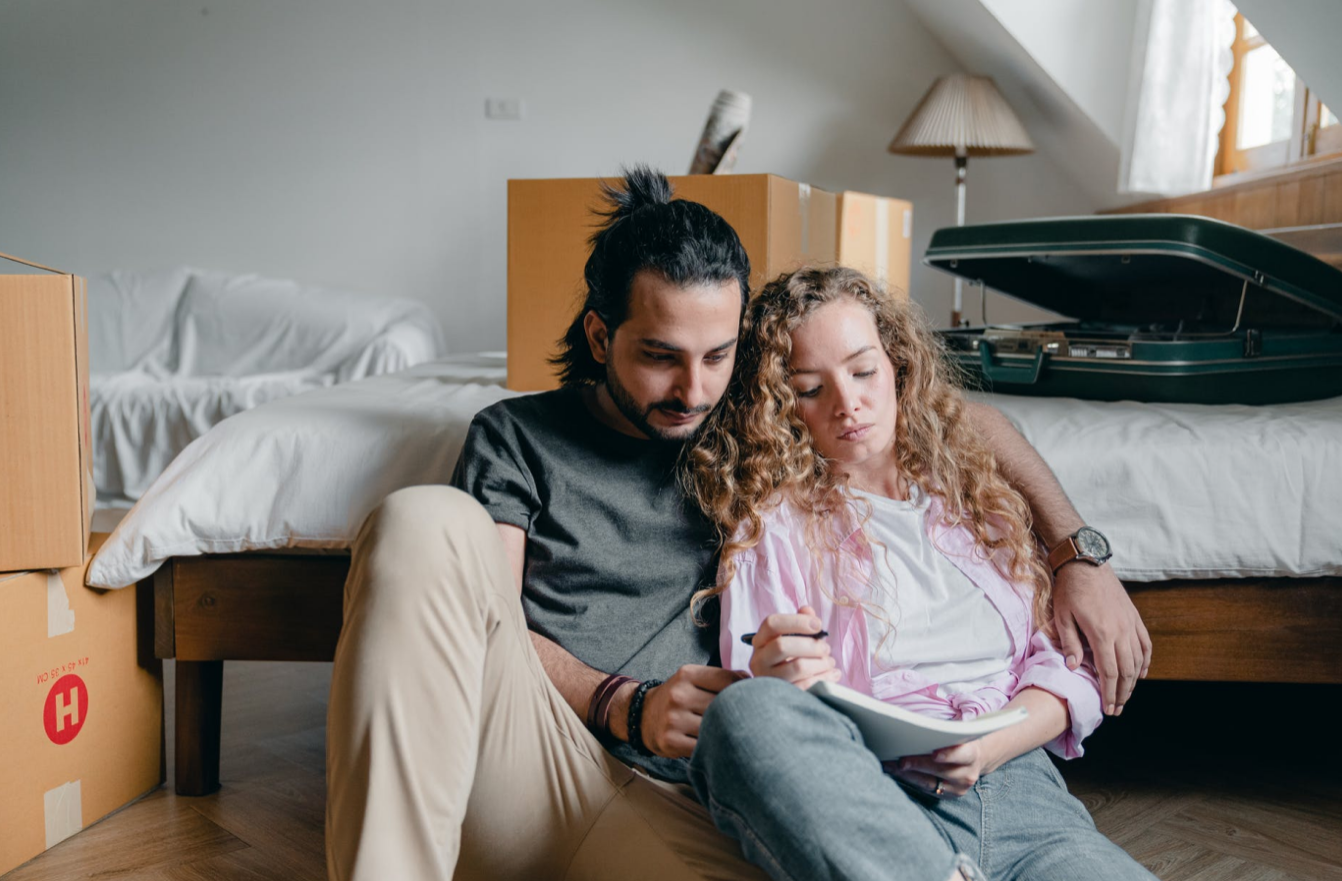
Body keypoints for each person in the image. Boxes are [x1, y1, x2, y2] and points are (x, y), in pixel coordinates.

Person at [325, 167, 1151, 880]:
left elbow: (950, 418)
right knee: (423, 519)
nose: (691, 389)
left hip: (693, 804)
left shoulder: (748, 429)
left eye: (718, 355)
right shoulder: (520, 438)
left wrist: (1079, 551)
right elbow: (487, 627)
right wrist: (622, 702)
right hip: (551, 756)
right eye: (659, 355)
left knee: (762, 736)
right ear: (599, 335)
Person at [683, 266, 1155, 881]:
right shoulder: (771, 525)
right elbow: (762, 690)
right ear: (778, 403)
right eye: (808, 388)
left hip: (1021, 791)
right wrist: (776, 673)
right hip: (874, 793)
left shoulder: (977, 490)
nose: (847, 404)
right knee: (745, 721)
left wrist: (985, 748)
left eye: (863, 371)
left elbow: (1069, 664)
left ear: (898, 365)